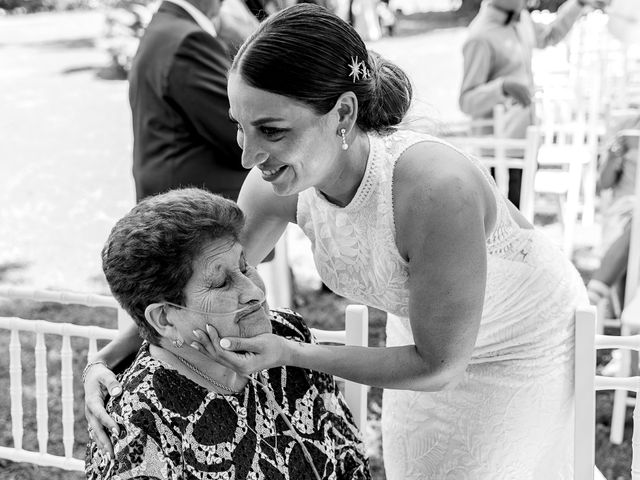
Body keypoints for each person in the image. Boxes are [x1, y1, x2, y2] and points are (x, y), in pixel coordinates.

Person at [85, 4, 589, 478]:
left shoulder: (436, 189)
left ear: (343, 115)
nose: (248, 157)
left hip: (519, 340)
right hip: (423, 337)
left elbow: (439, 365)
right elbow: (195, 288)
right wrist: (106, 359)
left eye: (272, 130)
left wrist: (289, 352)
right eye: (240, 128)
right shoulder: (272, 186)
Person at [84, 188, 370, 479]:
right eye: (220, 283)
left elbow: (350, 460)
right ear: (164, 318)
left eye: (246, 266)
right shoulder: (137, 421)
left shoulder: (287, 334)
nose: (254, 291)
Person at [459, 0, 610, 207]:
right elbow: (467, 101)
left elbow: (550, 35)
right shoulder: (480, 36)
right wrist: (501, 87)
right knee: (505, 222)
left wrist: (578, 4)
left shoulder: (521, 19)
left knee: (524, 212)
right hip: (499, 152)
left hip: (525, 138)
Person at [129, 0, 252, 202]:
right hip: (196, 208)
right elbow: (243, 134)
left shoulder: (167, 25)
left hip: (173, 193)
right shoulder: (188, 39)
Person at [587, 115, 639, 307]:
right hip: (625, 209)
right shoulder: (626, 128)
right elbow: (605, 183)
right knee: (637, 227)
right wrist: (614, 155)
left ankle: (592, 297)